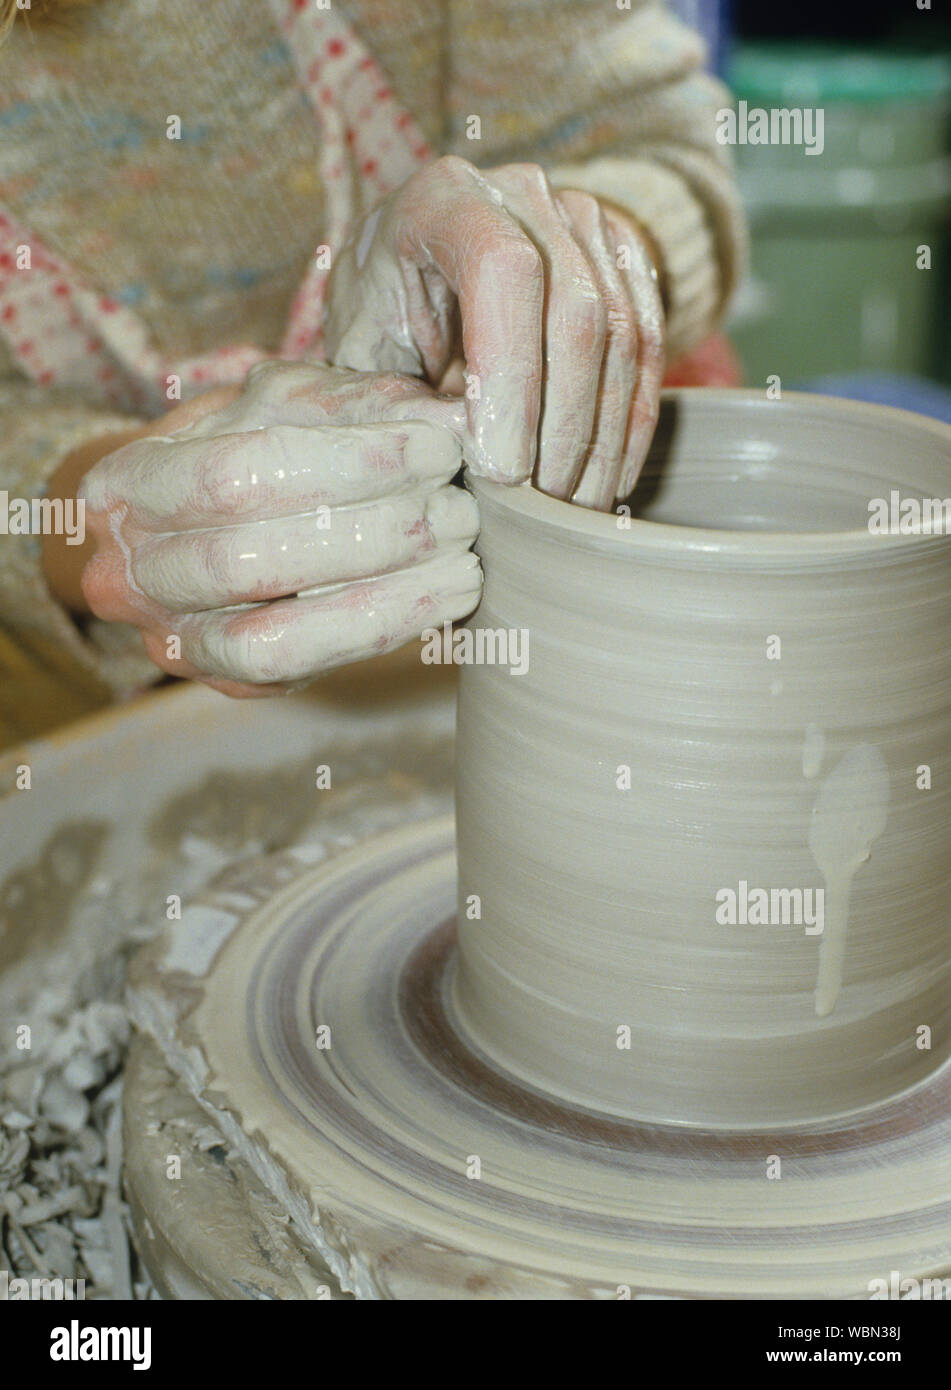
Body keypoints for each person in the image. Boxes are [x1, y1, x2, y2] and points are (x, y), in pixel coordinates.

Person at [0, 0, 745, 747]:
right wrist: (91, 520)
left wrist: (546, 270)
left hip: (573, 611)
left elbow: (652, 142)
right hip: (64, 667)